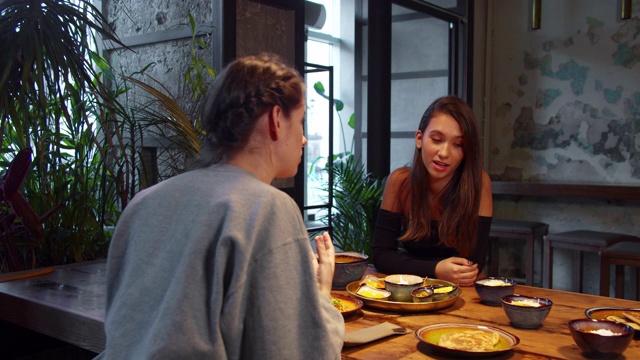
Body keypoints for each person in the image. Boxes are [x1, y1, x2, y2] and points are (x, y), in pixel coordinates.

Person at [96, 54, 344, 359]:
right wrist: (320, 295)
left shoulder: (143, 203)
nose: (304, 139)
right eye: (301, 120)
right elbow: (301, 352)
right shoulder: (268, 209)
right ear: (276, 120)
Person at [372, 96, 493, 287]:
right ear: (420, 139)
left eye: (458, 144)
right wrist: (435, 270)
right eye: (437, 140)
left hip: (461, 291)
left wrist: (446, 274)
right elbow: (381, 256)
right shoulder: (400, 182)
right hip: (408, 288)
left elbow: (474, 264)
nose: (444, 153)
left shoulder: (479, 183)